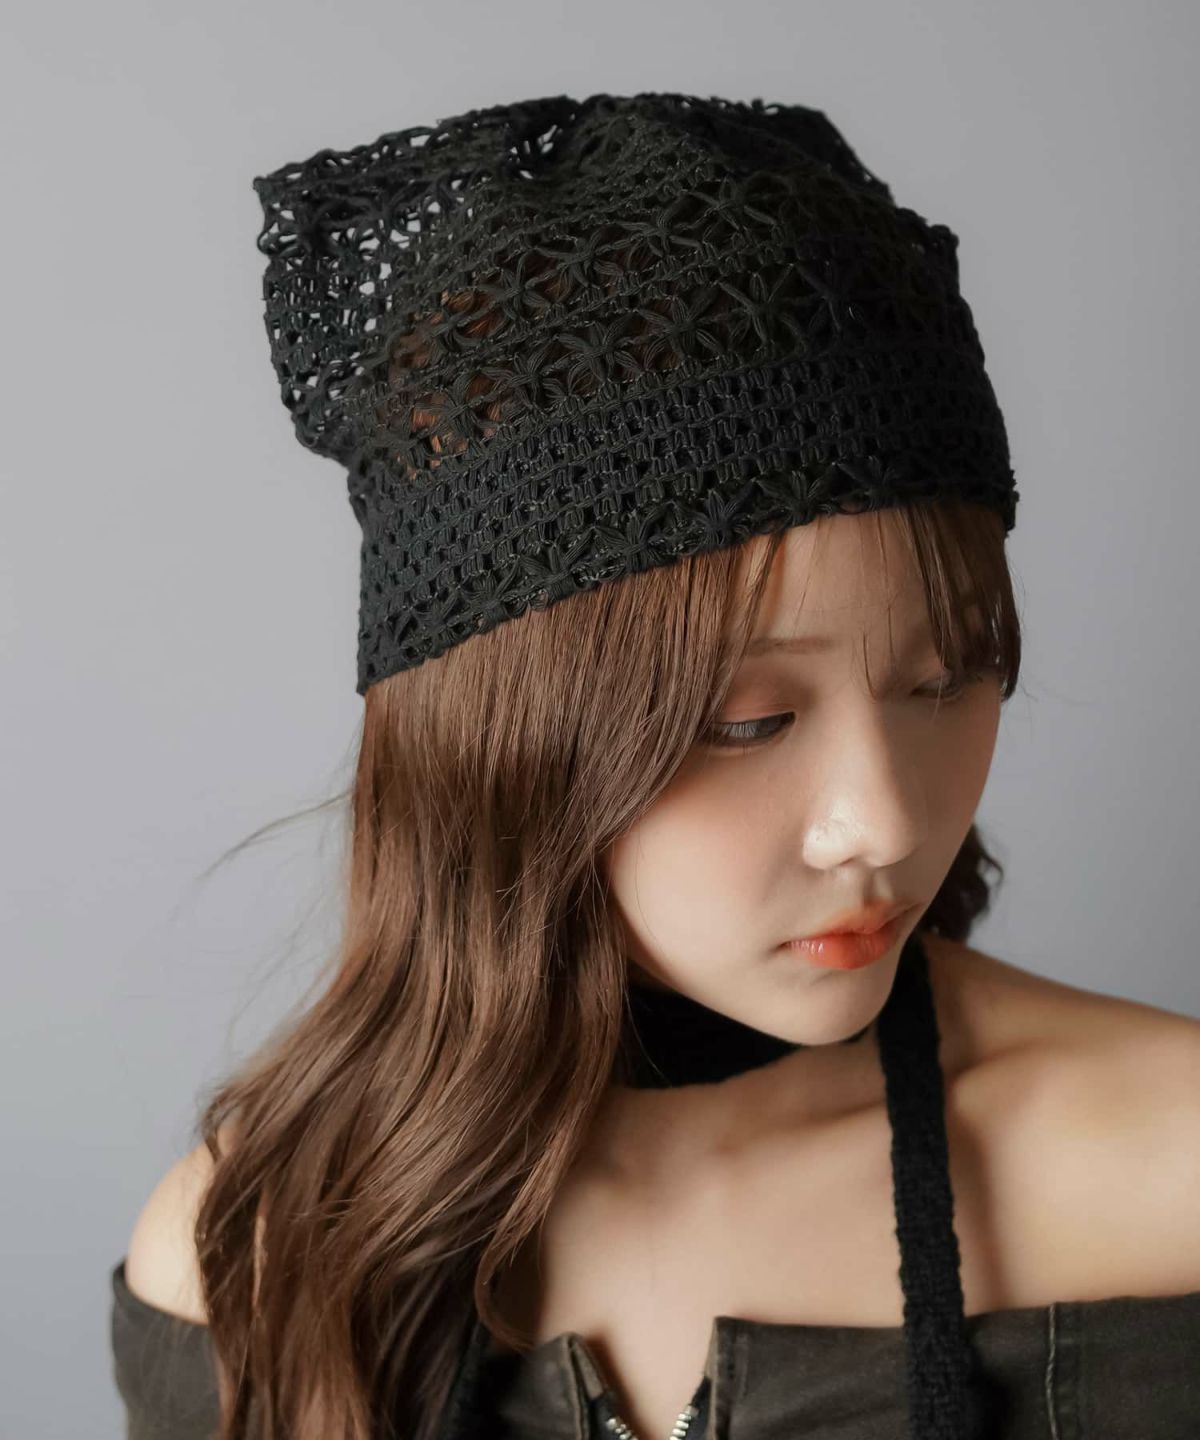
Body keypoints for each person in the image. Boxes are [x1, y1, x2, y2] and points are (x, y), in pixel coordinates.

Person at [110, 92, 1200, 1440]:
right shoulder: (254, 1256)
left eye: (945, 678)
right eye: (747, 721)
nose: (880, 822)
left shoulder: (1171, 1161)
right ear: (499, 754)